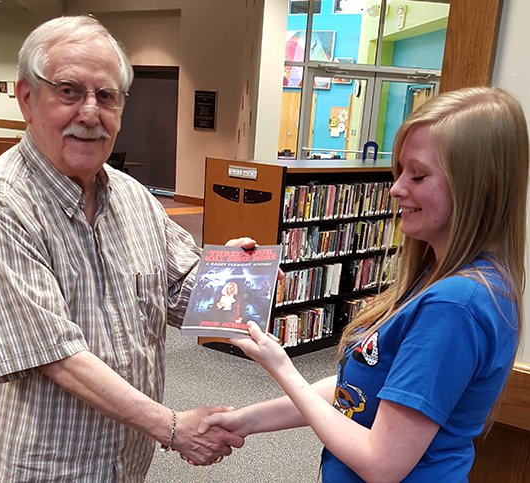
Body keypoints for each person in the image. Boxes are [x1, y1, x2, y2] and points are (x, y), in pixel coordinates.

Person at [199, 87, 528, 482]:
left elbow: (382, 463)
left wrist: (282, 367)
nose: (396, 188)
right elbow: (355, 389)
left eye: (419, 175)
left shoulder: (455, 306)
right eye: (399, 171)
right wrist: (244, 420)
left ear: (482, 184)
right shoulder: (436, 278)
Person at [0, 15, 249, 480]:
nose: (90, 113)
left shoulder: (134, 198)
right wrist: (172, 427)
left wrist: (234, 274)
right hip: (47, 465)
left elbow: (177, 292)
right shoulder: (3, 205)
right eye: (69, 91)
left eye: (106, 96)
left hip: (128, 460)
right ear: (27, 98)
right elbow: (58, 355)